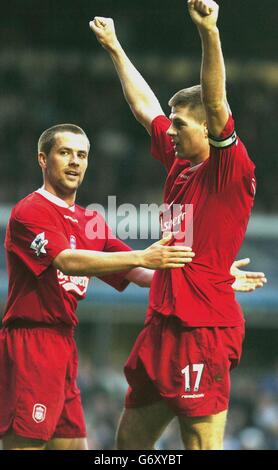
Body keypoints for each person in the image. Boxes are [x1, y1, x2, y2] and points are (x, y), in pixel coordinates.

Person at [91, 0, 266, 450]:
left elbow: (216, 100)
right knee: (128, 445)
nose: (169, 131)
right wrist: (114, 47)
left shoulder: (228, 172)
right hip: (162, 326)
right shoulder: (180, 164)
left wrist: (210, 31)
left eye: (181, 124)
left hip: (202, 329)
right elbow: (145, 107)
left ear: (209, 130)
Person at [0, 123, 197, 451]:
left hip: (64, 346)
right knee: (25, 443)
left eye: (81, 155)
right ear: (43, 160)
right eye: (65, 153)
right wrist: (142, 255)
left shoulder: (89, 220)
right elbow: (66, 260)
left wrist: (212, 277)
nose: (75, 161)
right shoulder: (30, 211)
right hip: (31, 343)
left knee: (75, 445)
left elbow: (141, 272)